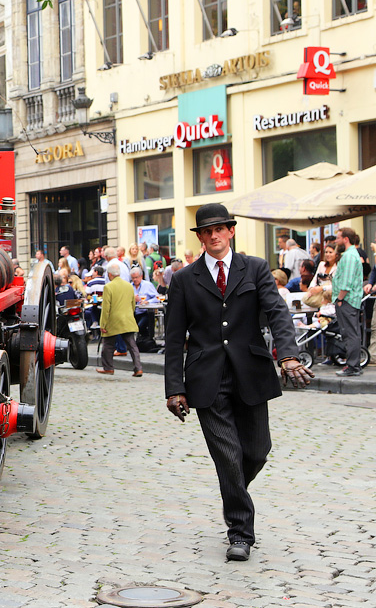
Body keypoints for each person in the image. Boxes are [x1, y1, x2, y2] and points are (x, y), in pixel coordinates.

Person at [164, 203, 312, 562]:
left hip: (251, 373)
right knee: (228, 458)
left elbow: (277, 313)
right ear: (200, 237)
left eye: (220, 229)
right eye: (206, 231)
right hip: (205, 379)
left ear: (231, 231)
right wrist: (174, 388)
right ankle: (240, 533)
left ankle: (233, 491)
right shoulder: (185, 279)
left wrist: (288, 354)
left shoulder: (256, 268)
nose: (214, 236)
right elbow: (172, 338)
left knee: (257, 451)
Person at [96, 263, 142, 377]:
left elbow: (106, 308)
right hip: (127, 319)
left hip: (113, 320)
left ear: (110, 274)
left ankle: (108, 368)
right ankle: (138, 368)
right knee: (132, 346)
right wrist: (130, 315)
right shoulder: (128, 286)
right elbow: (133, 304)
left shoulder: (108, 287)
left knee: (108, 345)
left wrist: (103, 324)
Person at [331, 226, 364, 377]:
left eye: (338, 237)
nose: (336, 240)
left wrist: (340, 298)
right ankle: (353, 365)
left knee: (350, 333)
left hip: (347, 300)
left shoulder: (350, 256)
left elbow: (347, 281)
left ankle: (353, 366)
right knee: (351, 333)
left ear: (345, 239)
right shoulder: (349, 255)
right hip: (348, 299)